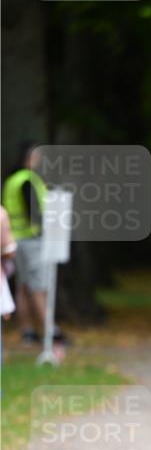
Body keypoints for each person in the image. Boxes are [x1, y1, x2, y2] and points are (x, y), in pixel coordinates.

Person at [1, 143, 63, 347]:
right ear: (29, 158)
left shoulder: (12, 180)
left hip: (15, 240)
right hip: (30, 240)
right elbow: (34, 213)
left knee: (23, 286)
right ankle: (50, 331)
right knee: (38, 286)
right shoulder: (28, 180)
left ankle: (27, 331)